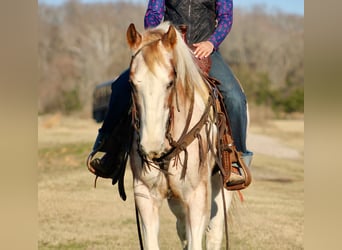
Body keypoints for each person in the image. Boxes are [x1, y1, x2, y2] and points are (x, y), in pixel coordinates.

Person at [89, 0, 253, 184]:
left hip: (204, 50)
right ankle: (109, 149)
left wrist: (211, 43)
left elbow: (225, 18)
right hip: (168, 47)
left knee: (234, 96)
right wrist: (157, 38)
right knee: (120, 86)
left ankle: (236, 159)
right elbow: (153, 13)